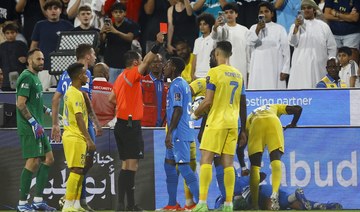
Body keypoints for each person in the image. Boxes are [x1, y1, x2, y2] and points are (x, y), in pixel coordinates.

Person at [108, 31, 164, 211]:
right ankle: (127, 205)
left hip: (122, 124)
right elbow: (147, 61)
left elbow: (111, 99)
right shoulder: (132, 74)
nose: (143, 63)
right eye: (140, 61)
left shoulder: (119, 78)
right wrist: (156, 45)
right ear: (134, 63)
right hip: (131, 125)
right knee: (131, 165)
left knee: (126, 165)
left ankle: (124, 205)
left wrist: (126, 104)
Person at [191, 41, 247, 212]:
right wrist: (243, 128)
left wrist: (194, 114)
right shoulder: (238, 74)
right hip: (232, 123)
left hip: (216, 122)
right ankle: (229, 204)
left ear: (217, 54)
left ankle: (201, 203)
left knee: (206, 160)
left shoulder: (214, 72)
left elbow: (207, 101)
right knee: (228, 164)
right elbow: (242, 102)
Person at [51, 43, 102, 211]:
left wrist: (55, 124)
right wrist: (94, 124)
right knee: (79, 167)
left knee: (80, 167)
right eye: (93, 54)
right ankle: (69, 203)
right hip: (78, 130)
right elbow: (83, 109)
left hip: (71, 129)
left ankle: (77, 202)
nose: (95, 57)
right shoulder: (80, 82)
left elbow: (55, 99)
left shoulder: (66, 76)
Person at [15, 48, 56, 212]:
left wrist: (48, 111)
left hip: (37, 125)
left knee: (49, 158)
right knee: (32, 162)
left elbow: (35, 101)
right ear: (29, 60)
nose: (41, 62)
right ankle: (22, 205)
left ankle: (38, 200)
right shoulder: (26, 76)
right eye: (38, 59)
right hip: (30, 127)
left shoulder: (36, 78)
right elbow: (20, 104)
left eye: (43, 59)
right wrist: (32, 122)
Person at [159, 57, 199, 210]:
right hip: (178, 131)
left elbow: (178, 109)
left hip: (179, 133)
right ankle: (172, 204)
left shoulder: (177, 85)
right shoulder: (181, 84)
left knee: (183, 167)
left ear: (174, 67)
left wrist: (169, 133)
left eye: (167, 64)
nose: (164, 67)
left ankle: (200, 204)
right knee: (169, 165)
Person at [246, 104, 302, 210]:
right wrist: (293, 124)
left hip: (255, 123)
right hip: (273, 121)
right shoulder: (274, 106)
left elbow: (243, 138)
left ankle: (254, 205)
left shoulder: (250, 115)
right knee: (275, 159)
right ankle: (274, 194)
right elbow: (298, 109)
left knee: (255, 166)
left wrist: (243, 165)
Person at [61, 63, 96, 212]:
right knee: (76, 170)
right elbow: (79, 118)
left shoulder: (76, 91)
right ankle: (67, 206)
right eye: (84, 73)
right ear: (78, 76)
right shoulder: (74, 93)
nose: (87, 75)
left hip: (77, 136)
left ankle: (75, 204)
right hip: (74, 135)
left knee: (80, 170)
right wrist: (89, 139)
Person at [214, 175, 343, 210]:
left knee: (272, 207)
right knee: (291, 203)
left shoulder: (226, 199)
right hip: (266, 189)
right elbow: (261, 174)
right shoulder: (240, 182)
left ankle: (296, 197)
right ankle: (323, 206)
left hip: (259, 193)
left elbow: (219, 208)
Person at [287, 0, 337, 89]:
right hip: (300, 65)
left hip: (319, 66)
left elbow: (332, 47)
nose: (306, 10)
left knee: (319, 91)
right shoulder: (294, 26)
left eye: (309, 8)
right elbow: (292, 42)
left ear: (314, 10)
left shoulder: (323, 26)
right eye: (303, 8)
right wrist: (296, 27)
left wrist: (331, 59)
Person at [30, 0, 73, 91]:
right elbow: (34, 45)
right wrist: (31, 62)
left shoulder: (68, 26)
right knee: (42, 93)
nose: (53, 11)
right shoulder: (39, 25)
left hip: (64, 68)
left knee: (65, 94)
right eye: (50, 9)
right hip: (44, 67)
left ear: (61, 10)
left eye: (56, 8)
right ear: (46, 11)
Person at [211, 3, 257, 87]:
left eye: (231, 12)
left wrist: (249, 68)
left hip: (241, 66)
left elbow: (248, 51)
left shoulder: (244, 30)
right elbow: (214, 37)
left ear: (236, 14)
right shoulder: (220, 29)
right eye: (226, 12)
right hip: (224, 66)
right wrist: (215, 27)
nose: (228, 15)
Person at [248, 2, 290, 90]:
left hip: (275, 68)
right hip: (257, 67)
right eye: (261, 12)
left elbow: (286, 51)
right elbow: (250, 43)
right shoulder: (253, 28)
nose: (263, 14)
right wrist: (258, 29)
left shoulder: (280, 29)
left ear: (272, 14)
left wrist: (285, 69)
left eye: (266, 11)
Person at [100, 2, 137, 83]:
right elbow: (102, 41)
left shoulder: (130, 24)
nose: (118, 14)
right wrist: (102, 32)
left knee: (125, 89)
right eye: (115, 12)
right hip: (111, 64)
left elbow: (130, 38)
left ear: (125, 13)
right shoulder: (109, 26)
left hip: (125, 64)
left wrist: (115, 31)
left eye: (120, 12)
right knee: (112, 89)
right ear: (112, 13)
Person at [323, 0, 360, 64]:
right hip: (334, 34)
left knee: (352, 64)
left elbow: (354, 18)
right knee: (336, 65)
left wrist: (336, 14)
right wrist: (346, 17)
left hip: (352, 35)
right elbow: (326, 15)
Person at [141, 53, 168, 127]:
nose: (156, 65)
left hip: (163, 125)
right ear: (149, 64)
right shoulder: (142, 81)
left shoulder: (168, 83)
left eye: (159, 62)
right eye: (154, 62)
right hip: (146, 125)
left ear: (163, 64)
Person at [0, 21, 28, 91]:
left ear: (16, 33)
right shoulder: (1, 47)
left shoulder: (22, 45)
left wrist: (25, 59)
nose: (10, 35)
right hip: (6, 80)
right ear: (4, 34)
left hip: (20, 77)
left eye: (12, 32)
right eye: (7, 33)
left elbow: (29, 59)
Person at [91, 62, 116, 127]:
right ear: (106, 74)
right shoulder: (114, 88)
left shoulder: (87, 88)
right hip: (110, 128)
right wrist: (110, 124)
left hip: (91, 126)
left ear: (94, 74)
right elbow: (119, 109)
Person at [193, 12, 216, 79]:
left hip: (209, 74)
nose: (202, 27)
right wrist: (192, 74)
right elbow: (194, 58)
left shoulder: (214, 39)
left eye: (205, 24)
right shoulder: (197, 41)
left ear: (210, 25)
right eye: (200, 24)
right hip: (197, 75)